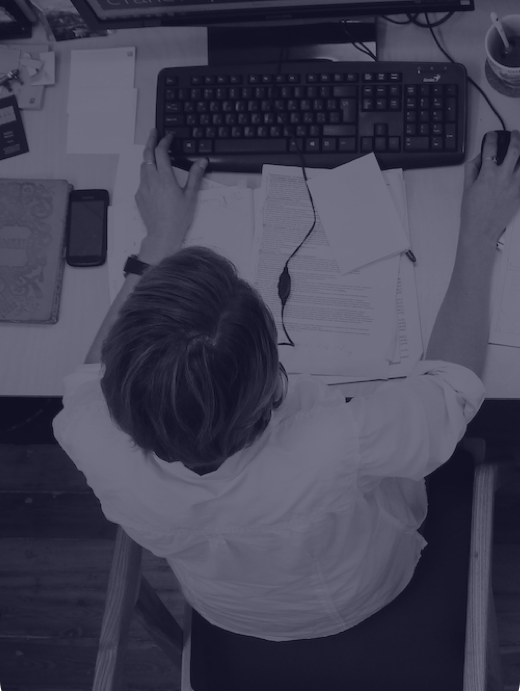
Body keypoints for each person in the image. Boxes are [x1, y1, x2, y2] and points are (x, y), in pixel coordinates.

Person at [53, 129, 520, 642]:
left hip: (224, 606)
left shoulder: (87, 434)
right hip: (360, 592)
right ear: (272, 380)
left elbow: (88, 375)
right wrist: (480, 234)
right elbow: (451, 390)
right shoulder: (333, 445)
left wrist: (158, 240)